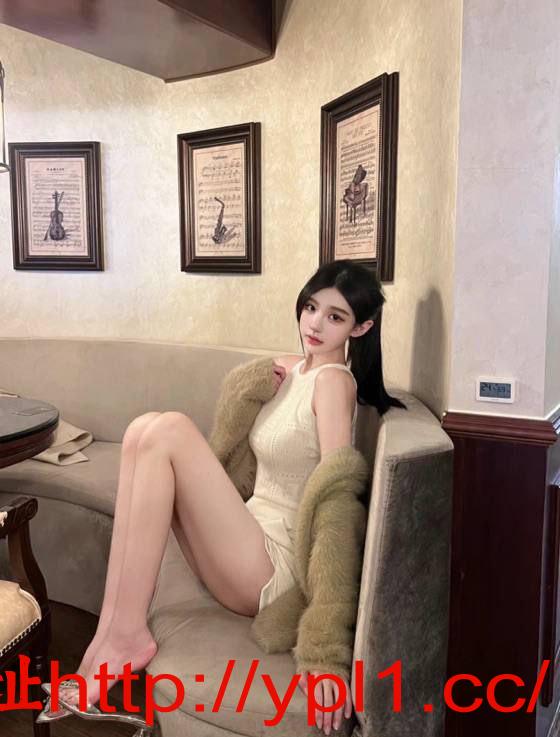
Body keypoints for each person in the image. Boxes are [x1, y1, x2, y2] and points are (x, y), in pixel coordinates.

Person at [54, 259, 405, 735]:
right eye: (310, 307)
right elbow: (229, 458)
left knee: (169, 430)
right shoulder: (291, 370)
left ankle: (124, 635)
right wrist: (248, 389)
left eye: (335, 317)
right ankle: (112, 635)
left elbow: (337, 503)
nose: (315, 324)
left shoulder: (334, 384)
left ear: (360, 328)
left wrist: (326, 651)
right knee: (142, 430)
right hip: (247, 535)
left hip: (272, 566)